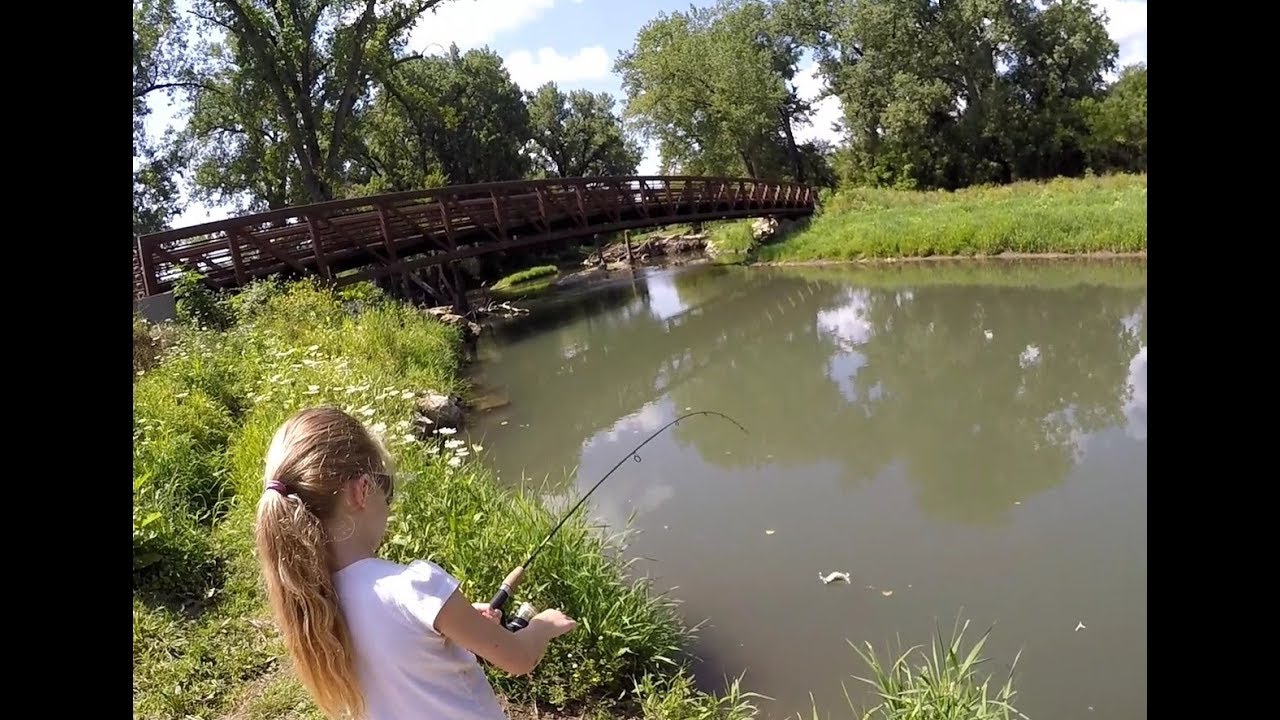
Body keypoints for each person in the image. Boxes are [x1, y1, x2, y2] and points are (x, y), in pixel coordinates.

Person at [254, 405, 578, 719]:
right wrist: (543, 626)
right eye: (385, 487)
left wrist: (455, 622)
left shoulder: (313, 604)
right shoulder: (415, 588)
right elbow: (519, 658)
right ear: (361, 491)